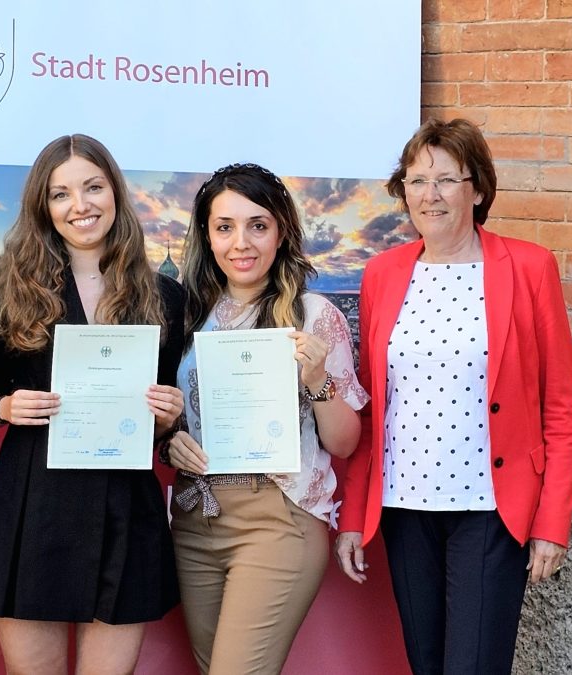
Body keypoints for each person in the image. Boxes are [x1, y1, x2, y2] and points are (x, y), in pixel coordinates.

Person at [334, 118, 572, 674]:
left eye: (446, 180)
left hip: (491, 508)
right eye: (417, 181)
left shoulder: (529, 268)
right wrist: (354, 515)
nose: (430, 195)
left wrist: (551, 523)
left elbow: (560, 410)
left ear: (478, 188)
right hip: (405, 506)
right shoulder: (382, 273)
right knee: (426, 664)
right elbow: (374, 409)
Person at [0, 134, 184, 674]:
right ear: (43, 205)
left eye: (93, 187)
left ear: (116, 194)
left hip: (124, 504)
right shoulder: (10, 287)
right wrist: (3, 409)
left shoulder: (165, 295)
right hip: (30, 498)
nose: (80, 205)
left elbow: (164, 425)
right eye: (61, 194)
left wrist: (168, 417)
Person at [165, 163, 368, 674]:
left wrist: (317, 376)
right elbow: (167, 416)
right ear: (207, 237)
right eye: (225, 227)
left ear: (281, 232)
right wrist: (170, 440)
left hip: (279, 520)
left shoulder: (315, 314)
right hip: (194, 518)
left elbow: (344, 443)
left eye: (258, 225)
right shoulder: (186, 316)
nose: (242, 242)